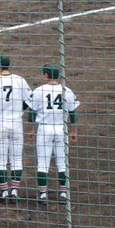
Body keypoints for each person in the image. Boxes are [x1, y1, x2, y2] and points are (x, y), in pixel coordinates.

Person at [0, 53, 31, 203]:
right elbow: (30, 100)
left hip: (0, 123)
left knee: (0, 160)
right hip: (16, 123)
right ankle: (14, 191)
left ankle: (4, 192)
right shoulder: (20, 80)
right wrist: (19, 110)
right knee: (16, 159)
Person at [26, 64, 80, 203]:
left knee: (43, 163)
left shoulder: (39, 90)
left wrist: (32, 130)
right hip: (61, 129)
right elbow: (73, 114)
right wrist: (73, 132)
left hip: (44, 129)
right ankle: (63, 194)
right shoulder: (67, 91)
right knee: (62, 162)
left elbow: (31, 113)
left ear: (45, 75)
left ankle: (43, 194)